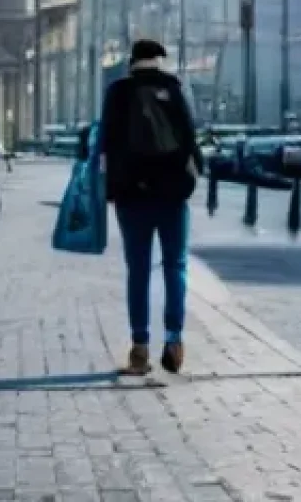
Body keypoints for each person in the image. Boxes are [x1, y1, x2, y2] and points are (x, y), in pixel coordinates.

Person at [98, 39, 203, 376]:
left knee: (138, 269)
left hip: (131, 196)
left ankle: (140, 347)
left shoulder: (118, 92)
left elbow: (104, 143)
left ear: (132, 61)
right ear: (159, 60)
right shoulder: (173, 88)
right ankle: (174, 340)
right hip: (172, 194)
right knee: (175, 265)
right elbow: (190, 137)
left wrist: (109, 188)